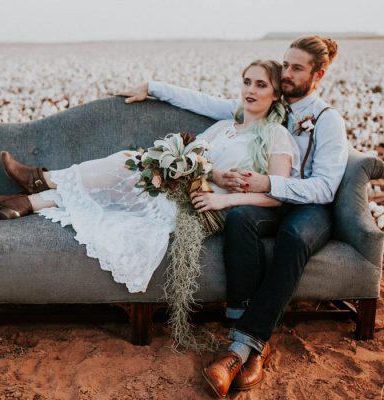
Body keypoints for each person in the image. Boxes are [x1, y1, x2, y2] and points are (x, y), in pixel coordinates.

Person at [121, 35, 347, 398]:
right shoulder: (266, 103)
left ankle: (244, 346)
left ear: (318, 75)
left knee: (292, 237)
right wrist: (153, 86)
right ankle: (243, 324)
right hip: (266, 198)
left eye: (297, 68)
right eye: (285, 65)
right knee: (241, 217)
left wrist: (269, 181)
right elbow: (204, 102)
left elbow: (325, 188)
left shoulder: (327, 120)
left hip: (310, 207)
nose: (286, 73)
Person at [0, 59, 300, 296]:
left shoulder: (276, 136)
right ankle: (27, 201)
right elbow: (198, 158)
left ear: (275, 94)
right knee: (127, 168)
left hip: (203, 208)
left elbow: (276, 194)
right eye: (247, 81)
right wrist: (202, 170)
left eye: (261, 85)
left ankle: (39, 181)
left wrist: (223, 197)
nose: (251, 90)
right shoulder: (224, 126)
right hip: (183, 190)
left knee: (128, 163)